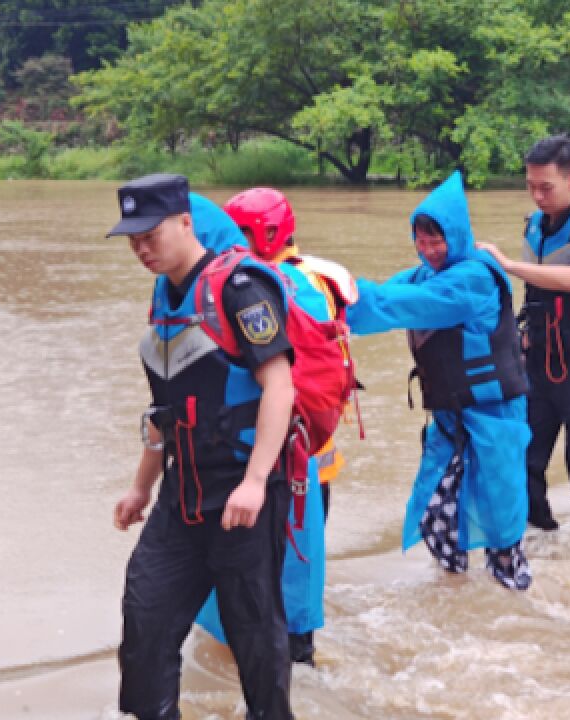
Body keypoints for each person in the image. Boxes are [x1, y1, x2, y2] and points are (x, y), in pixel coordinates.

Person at [110, 174, 294, 719]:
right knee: (144, 625)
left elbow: (279, 385)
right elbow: (164, 408)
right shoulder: (164, 296)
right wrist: (141, 486)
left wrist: (257, 482)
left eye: (151, 234)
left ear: (186, 223)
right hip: (180, 500)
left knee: (256, 639)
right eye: (132, 239)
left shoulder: (239, 288)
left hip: (240, 496)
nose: (142, 248)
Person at [348, 171, 534, 588]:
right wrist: (329, 300)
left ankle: (512, 604)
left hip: (494, 415)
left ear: (458, 235)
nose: (428, 250)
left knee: (500, 517)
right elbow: (377, 294)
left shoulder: (473, 278)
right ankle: (456, 596)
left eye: (437, 240)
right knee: (435, 508)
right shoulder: (425, 274)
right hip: (452, 417)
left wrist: (349, 307)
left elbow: (400, 305)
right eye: (421, 240)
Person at [217, 187, 358, 666]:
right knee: (304, 564)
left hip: (279, 458)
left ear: (266, 232)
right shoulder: (324, 277)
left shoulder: (253, 286)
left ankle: (281, 665)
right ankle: (299, 659)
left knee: (269, 570)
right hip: (319, 455)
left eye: (239, 233)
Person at [479, 135, 570, 562]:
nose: (538, 195)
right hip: (539, 359)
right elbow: (533, 294)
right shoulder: (534, 224)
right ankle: (540, 540)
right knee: (524, 454)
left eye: (546, 187)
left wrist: (507, 265)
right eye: (531, 186)